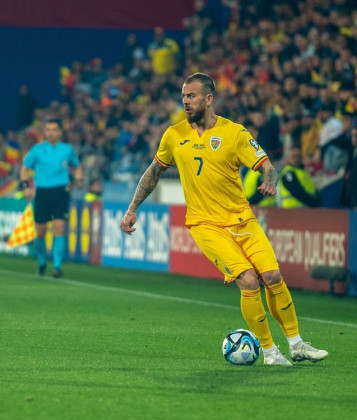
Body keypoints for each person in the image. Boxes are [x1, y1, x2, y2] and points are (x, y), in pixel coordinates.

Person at [120, 73, 327, 365]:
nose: (185, 102)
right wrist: (132, 208)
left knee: (273, 277)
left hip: (243, 220)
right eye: (182, 96)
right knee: (248, 279)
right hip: (206, 225)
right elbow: (154, 172)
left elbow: (269, 167)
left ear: (208, 98)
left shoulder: (235, 133)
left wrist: (270, 180)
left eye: (191, 96)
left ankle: (296, 345)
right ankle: (270, 352)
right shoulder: (174, 134)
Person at [20, 119, 83, 278]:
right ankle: (42, 262)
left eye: (54, 130)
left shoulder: (67, 150)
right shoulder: (37, 149)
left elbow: (77, 165)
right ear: (45, 132)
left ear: (60, 132)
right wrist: (25, 186)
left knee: (59, 228)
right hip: (42, 192)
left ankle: (56, 266)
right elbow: (24, 167)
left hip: (61, 191)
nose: (51, 132)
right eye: (48, 130)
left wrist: (79, 178)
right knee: (40, 232)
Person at [277, 144, 320, 208]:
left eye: (298, 156)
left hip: (304, 207)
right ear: (288, 158)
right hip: (293, 208)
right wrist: (313, 202)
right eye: (294, 156)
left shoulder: (302, 171)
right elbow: (297, 192)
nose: (296, 158)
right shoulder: (288, 173)